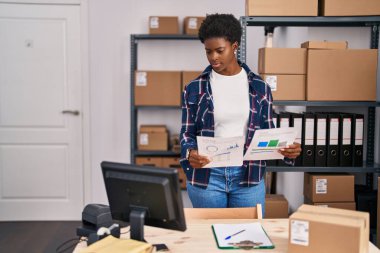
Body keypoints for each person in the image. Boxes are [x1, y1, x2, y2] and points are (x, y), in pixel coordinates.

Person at [179, 14, 301, 213]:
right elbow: (186, 133)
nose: (213, 57)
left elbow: (267, 132)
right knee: (210, 238)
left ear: (234, 46)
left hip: (249, 175)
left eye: (219, 50)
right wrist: (190, 152)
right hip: (207, 177)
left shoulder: (260, 87)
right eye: (208, 51)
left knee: (248, 239)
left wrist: (286, 150)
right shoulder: (194, 88)